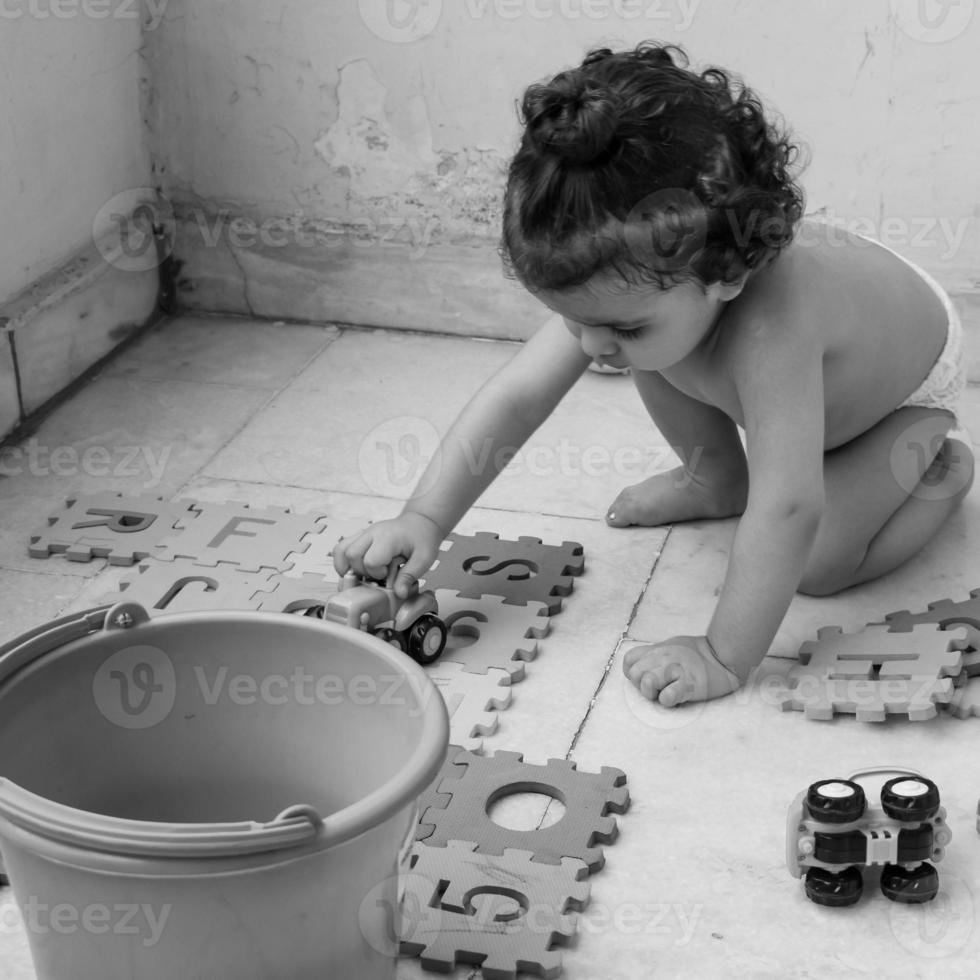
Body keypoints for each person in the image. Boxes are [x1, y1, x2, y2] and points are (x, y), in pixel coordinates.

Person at [334, 42, 973, 708]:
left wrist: (724, 655)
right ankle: (716, 478)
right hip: (771, 334)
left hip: (900, 402)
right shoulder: (637, 292)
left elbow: (789, 505)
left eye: (621, 325)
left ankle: (941, 470)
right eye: (573, 320)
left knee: (815, 563)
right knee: (657, 353)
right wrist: (424, 519)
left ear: (730, 274)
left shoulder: (771, 328)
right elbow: (517, 398)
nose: (589, 345)